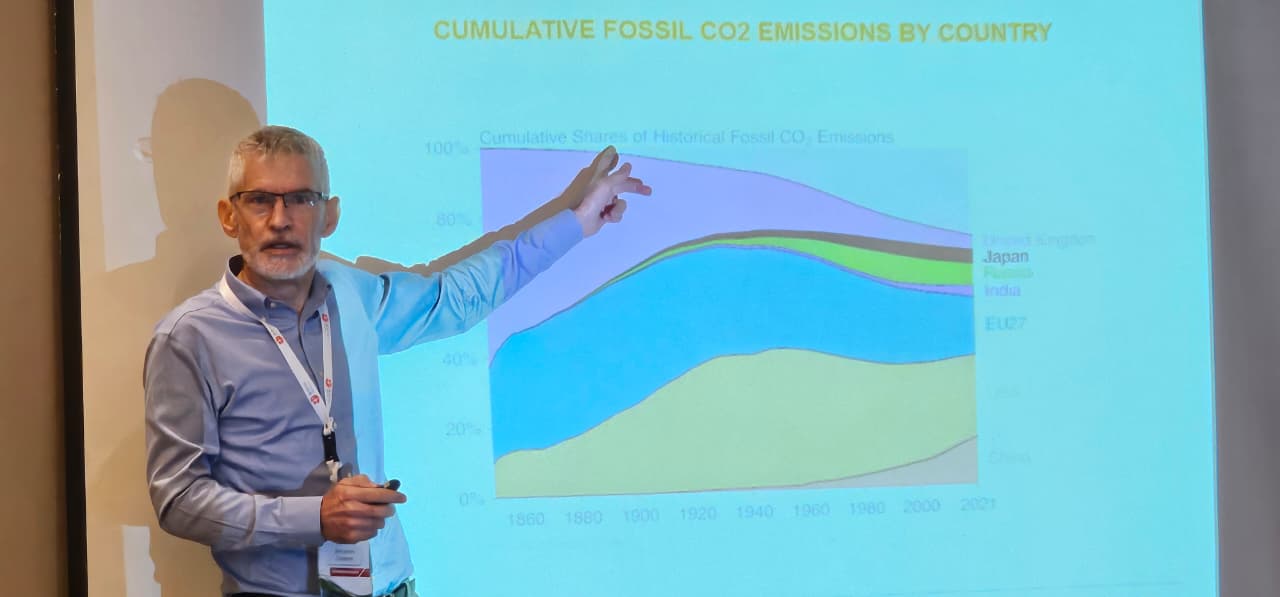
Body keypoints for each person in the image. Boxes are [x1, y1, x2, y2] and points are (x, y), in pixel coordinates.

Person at [143, 125, 650, 597]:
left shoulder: (351, 294)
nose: (280, 219)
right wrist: (313, 517)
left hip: (391, 586)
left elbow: (456, 298)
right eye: (259, 200)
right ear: (229, 216)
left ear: (330, 216)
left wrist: (576, 223)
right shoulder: (190, 337)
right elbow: (178, 498)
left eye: (301, 199)